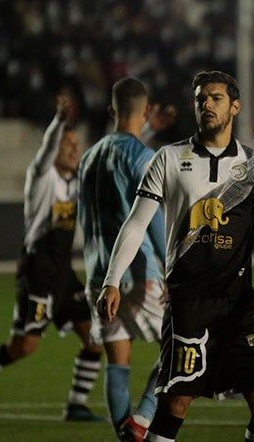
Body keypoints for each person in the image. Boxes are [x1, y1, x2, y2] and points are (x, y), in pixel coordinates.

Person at [97, 70, 254, 442]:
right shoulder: (168, 159)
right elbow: (135, 225)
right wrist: (112, 280)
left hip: (240, 305)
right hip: (188, 303)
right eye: (201, 99)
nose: (207, 105)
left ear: (235, 106)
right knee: (175, 405)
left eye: (216, 98)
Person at [0, 93, 105, 424]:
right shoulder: (42, 177)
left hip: (63, 272)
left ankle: (76, 405)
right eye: (68, 145)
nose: (74, 150)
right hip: (38, 272)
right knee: (23, 347)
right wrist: (59, 122)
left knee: (95, 337)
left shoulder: (74, 182)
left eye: (76, 145)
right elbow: (48, 148)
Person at [78, 78, 173, 441]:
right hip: (141, 272)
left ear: (111, 111)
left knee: (117, 366)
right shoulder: (144, 157)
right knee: (184, 344)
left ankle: (126, 437)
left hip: (101, 278)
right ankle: (145, 417)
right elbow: (149, 221)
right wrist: (172, 266)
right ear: (146, 111)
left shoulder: (88, 158)